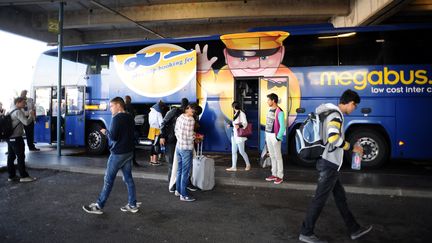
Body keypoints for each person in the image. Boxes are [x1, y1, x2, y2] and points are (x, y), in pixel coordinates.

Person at [299, 89, 372, 243]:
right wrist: (352, 147)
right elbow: (333, 138)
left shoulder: (328, 113)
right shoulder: (336, 115)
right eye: (355, 106)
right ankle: (306, 232)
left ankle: (354, 229)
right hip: (329, 163)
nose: (354, 109)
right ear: (351, 103)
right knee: (319, 199)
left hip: (328, 163)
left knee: (340, 198)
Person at [82, 97, 138, 214]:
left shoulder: (117, 118)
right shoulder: (130, 117)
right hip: (128, 153)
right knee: (128, 179)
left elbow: (113, 137)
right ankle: (132, 204)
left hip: (117, 154)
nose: (110, 109)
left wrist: (105, 132)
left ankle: (98, 206)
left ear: (118, 105)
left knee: (108, 180)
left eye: (112, 106)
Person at [160, 98, 189, 192]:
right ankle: (172, 185)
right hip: (171, 140)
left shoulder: (185, 114)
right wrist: (162, 136)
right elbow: (163, 123)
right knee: (172, 164)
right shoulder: (174, 111)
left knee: (178, 164)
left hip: (179, 141)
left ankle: (177, 185)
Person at [6, 97, 37, 183]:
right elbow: (26, 122)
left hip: (9, 138)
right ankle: (24, 176)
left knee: (11, 157)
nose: (25, 104)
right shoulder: (18, 112)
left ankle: (11, 176)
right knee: (20, 157)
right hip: (16, 138)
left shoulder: (9, 110)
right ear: (18, 102)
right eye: (23, 103)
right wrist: (31, 115)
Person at [174, 103, 198, 202]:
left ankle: (178, 190)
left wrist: (181, 139)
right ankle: (183, 195)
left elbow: (176, 131)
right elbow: (188, 136)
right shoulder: (191, 120)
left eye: (195, 111)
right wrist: (195, 136)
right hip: (187, 148)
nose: (194, 113)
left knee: (179, 171)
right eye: (193, 111)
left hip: (179, 147)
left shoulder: (180, 117)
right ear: (188, 109)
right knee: (185, 172)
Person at [264, 93, 286, 185]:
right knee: (272, 156)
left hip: (274, 136)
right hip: (268, 135)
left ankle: (280, 176)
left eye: (269, 100)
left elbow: (283, 126)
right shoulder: (270, 110)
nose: (267, 101)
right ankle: (274, 174)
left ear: (273, 101)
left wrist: (278, 137)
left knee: (278, 157)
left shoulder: (280, 111)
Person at [226, 101, 251, 172]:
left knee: (241, 151)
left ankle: (248, 164)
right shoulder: (236, 113)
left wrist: (239, 126)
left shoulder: (242, 114)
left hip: (239, 136)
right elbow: (235, 124)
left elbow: (245, 123)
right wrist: (230, 125)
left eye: (233, 107)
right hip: (234, 135)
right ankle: (234, 167)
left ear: (234, 107)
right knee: (233, 152)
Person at [124, 95, 140, 167]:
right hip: (131, 129)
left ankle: (126, 162)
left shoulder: (124, 107)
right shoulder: (131, 106)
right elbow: (133, 116)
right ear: (130, 100)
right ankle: (133, 161)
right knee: (132, 146)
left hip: (125, 129)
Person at [148, 101, 164, 165]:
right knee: (156, 145)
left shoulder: (150, 112)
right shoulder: (158, 113)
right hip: (156, 131)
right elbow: (161, 123)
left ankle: (151, 160)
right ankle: (155, 161)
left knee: (152, 145)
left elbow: (149, 122)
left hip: (151, 130)